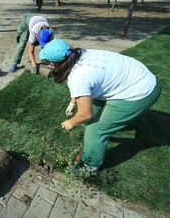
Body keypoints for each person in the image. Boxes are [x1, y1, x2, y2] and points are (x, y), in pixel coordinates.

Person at [39, 39, 161, 174]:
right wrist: (73, 102)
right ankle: (93, 142)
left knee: (95, 130)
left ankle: (89, 166)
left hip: (140, 92)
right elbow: (88, 85)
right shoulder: (81, 54)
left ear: (55, 63)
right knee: (91, 115)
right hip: (136, 75)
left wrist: (71, 122)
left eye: (47, 62)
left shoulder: (78, 77)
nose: (47, 65)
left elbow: (86, 114)